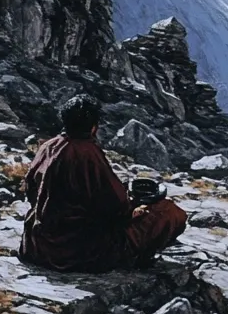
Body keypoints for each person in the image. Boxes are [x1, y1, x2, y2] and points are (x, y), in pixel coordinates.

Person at [18, 94, 187, 272]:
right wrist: (132, 211)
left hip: (38, 244)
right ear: (93, 127)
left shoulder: (48, 147)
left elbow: (31, 190)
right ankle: (134, 260)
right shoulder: (87, 153)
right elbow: (114, 204)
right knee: (170, 213)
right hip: (79, 251)